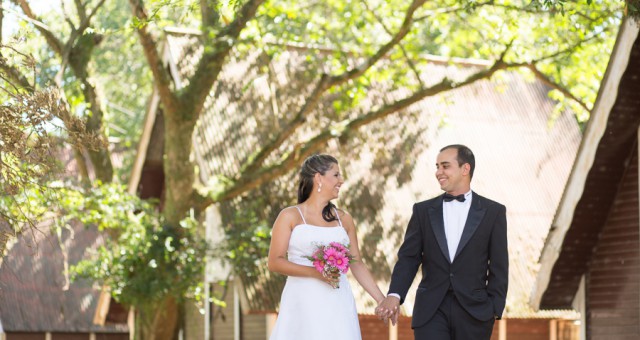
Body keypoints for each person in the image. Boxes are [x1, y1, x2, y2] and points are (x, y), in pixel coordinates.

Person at [376, 144, 508, 339]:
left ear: (465, 169)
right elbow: (409, 258)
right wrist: (395, 294)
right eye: (437, 166)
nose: (439, 172)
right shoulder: (422, 211)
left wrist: (493, 308)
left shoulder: (494, 211)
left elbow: (499, 264)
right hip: (430, 310)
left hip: (475, 312)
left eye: (445, 166)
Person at [268, 154, 386, 340]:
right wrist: (316, 272)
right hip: (302, 301)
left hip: (337, 300)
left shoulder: (344, 219)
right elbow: (275, 262)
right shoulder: (290, 216)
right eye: (336, 175)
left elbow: (356, 263)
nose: (342, 180)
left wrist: (381, 299)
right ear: (318, 178)